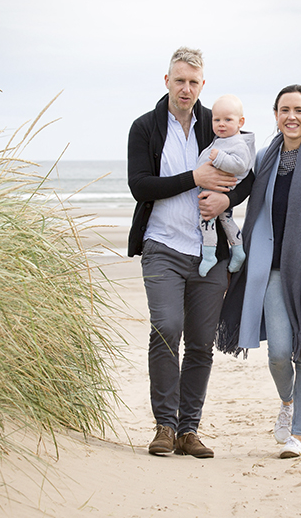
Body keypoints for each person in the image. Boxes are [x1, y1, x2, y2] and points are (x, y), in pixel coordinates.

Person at [127, 47, 253, 459]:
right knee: (166, 328)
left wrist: (225, 203)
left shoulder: (213, 126)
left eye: (193, 82)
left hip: (209, 253)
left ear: (203, 85)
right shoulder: (145, 127)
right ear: (167, 81)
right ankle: (164, 426)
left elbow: (246, 173)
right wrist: (193, 178)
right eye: (179, 80)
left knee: (200, 342)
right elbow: (140, 186)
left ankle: (188, 430)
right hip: (161, 245)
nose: (186, 88)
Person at [217, 84, 301, 459]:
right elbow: (237, 187)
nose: (291, 116)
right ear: (275, 116)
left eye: (299, 110)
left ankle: (300, 436)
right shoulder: (264, 158)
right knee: (278, 353)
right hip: (272, 270)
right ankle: (287, 403)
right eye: (283, 110)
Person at [196, 94, 256, 277]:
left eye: (228, 120)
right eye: (217, 120)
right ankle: (238, 252)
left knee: (206, 221)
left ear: (241, 122)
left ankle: (209, 255)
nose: (221, 124)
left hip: (219, 191)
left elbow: (241, 165)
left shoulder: (238, 143)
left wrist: (219, 158)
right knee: (226, 221)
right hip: (217, 190)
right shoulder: (222, 139)